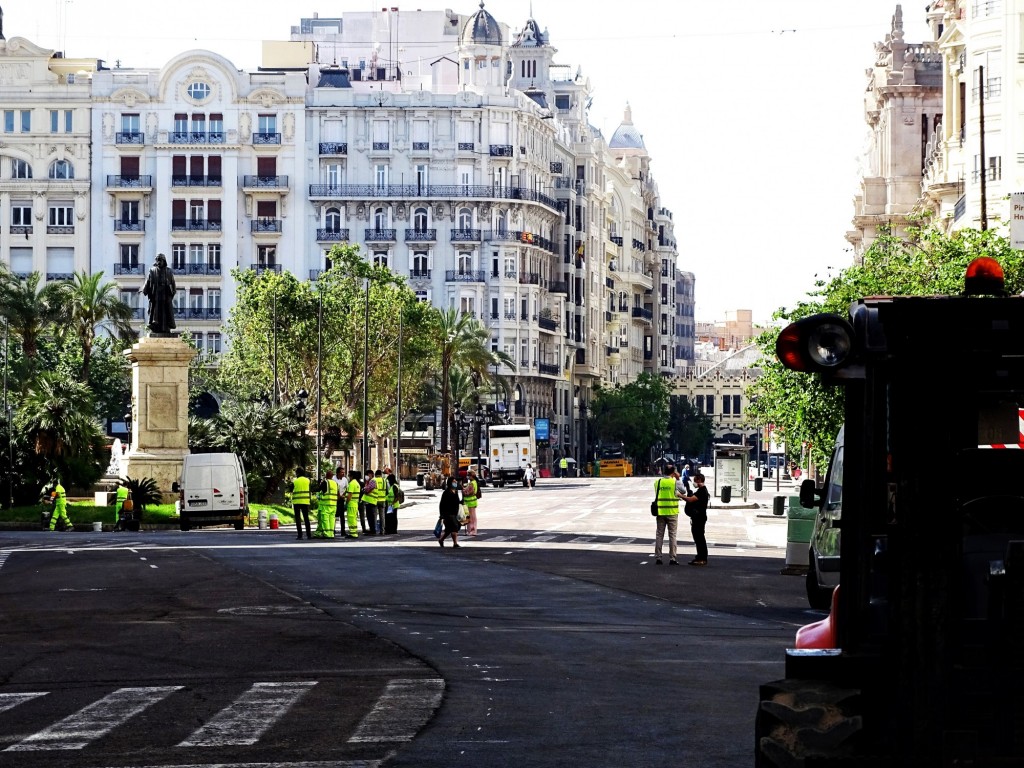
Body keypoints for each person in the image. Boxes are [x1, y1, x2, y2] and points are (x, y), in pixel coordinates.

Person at [652, 463, 683, 564]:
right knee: (672, 535)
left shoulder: (658, 482)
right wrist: (678, 479)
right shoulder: (674, 483)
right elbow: (683, 490)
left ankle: (658, 557)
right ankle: (672, 558)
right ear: (673, 473)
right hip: (672, 512)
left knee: (659, 535)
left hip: (660, 512)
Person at [680, 472, 710, 566]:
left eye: (695, 481)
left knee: (699, 538)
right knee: (698, 538)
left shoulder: (702, 491)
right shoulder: (702, 490)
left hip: (699, 518)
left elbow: (691, 500)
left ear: (700, 480)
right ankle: (699, 556)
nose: (694, 483)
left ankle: (702, 558)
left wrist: (681, 496)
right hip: (698, 517)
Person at [142, 253, 176, 334]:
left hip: (165, 294)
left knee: (165, 312)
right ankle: (155, 328)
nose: (158, 262)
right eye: (157, 260)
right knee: (155, 312)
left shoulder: (169, 271)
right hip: (156, 294)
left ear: (164, 261)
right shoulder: (152, 270)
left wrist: (171, 290)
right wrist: (145, 289)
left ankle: (166, 328)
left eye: (160, 260)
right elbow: (148, 281)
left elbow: (173, 284)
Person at [437, 477, 462, 548]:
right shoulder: (446, 492)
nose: (455, 483)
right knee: (454, 527)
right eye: (454, 482)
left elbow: (457, 502)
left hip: (455, 513)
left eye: (456, 482)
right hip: (448, 513)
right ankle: (455, 543)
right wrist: (442, 515)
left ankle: (441, 540)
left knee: (448, 529)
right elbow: (442, 504)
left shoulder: (456, 492)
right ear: (450, 483)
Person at [313, 470, 338, 538]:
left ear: (326, 475)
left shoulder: (325, 482)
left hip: (325, 504)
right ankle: (330, 533)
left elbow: (319, 489)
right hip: (333, 504)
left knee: (325, 519)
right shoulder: (335, 483)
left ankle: (327, 533)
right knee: (331, 519)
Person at [290, 467, 312, 540]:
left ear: (298, 473)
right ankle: (309, 535)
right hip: (305, 502)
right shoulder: (308, 480)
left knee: (298, 519)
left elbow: (291, 489)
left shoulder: (295, 481)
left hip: (297, 502)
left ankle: (300, 535)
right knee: (306, 519)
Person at [342, 470, 361, 538]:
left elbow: (350, 495)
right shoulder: (357, 483)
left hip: (351, 503)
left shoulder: (352, 483)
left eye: (349, 475)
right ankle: (354, 532)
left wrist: (346, 503)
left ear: (352, 476)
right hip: (355, 503)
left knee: (351, 518)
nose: (348, 477)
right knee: (354, 518)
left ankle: (353, 533)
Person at [463, 469, 480, 535]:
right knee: (471, 517)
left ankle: (472, 531)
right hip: (470, 502)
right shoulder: (473, 482)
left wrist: (464, 491)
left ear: (471, 476)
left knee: (471, 517)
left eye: (468, 475)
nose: (467, 477)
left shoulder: (472, 483)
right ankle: (471, 530)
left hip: (470, 502)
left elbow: (469, 492)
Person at [360, 470, 376, 534]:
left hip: (371, 501)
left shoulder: (373, 481)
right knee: (369, 516)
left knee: (371, 517)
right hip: (369, 501)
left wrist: (364, 489)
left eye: (368, 474)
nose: (366, 476)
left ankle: (372, 530)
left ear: (372, 474)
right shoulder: (369, 481)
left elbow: (367, 490)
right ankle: (371, 529)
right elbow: (365, 488)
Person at [372, 468, 387, 534]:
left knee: (374, 516)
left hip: (375, 500)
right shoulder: (384, 480)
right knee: (382, 516)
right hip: (382, 500)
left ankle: (374, 530)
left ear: (375, 474)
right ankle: (382, 530)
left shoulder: (374, 480)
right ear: (381, 475)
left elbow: (370, 488)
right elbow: (387, 490)